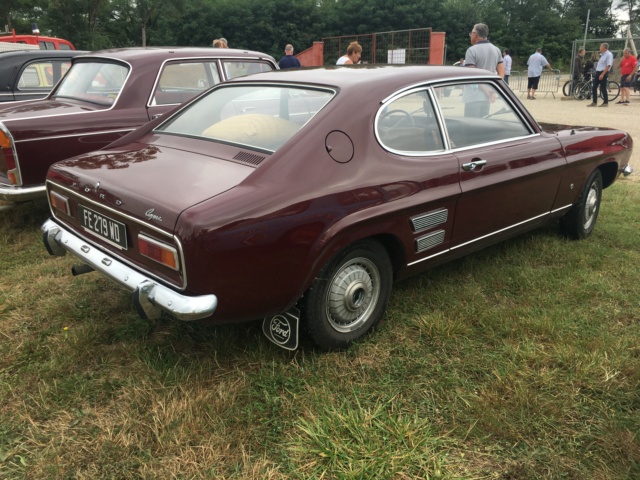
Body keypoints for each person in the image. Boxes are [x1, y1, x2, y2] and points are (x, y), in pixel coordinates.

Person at [463, 23, 504, 117]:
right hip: (487, 97)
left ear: (475, 35)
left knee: (471, 126)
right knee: (483, 124)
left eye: (471, 34)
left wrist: (485, 89)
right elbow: (501, 73)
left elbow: (472, 74)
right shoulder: (496, 50)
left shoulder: (472, 50)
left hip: (473, 97)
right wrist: (492, 89)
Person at [588, 42, 614, 107]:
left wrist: (602, 74)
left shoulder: (609, 54)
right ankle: (594, 102)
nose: (599, 48)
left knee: (603, 88)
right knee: (594, 87)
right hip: (598, 72)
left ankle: (605, 102)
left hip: (603, 72)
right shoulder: (602, 54)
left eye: (600, 47)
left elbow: (608, 65)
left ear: (604, 47)